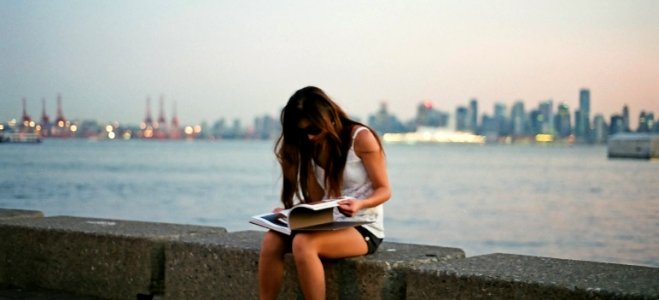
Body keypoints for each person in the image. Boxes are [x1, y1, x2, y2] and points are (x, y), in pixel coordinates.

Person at [258, 86, 391, 300]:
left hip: (363, 225)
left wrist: (359, 204)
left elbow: (384, 189)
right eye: (302, 132)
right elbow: (317, 199)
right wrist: (292, 212)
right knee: (271, 239)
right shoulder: (312, 146)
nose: (309, 136)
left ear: (328, 117)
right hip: (328, 221)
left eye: (313, 129)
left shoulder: (361, 138)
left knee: (303, 243)